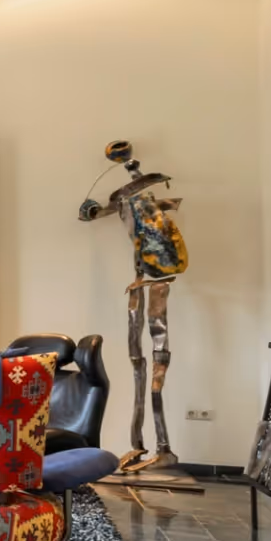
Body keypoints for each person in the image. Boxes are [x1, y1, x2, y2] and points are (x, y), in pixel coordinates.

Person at [78, 141, 188, 473]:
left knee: (155, 360)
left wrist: (131, 170)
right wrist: (93, 212)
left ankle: (164, 448)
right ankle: (138, 444)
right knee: (136, 362)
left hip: (157, 284)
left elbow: (165, 255)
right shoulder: (131, 205)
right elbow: (105, 211)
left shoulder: (149, 211)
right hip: (139, 285)